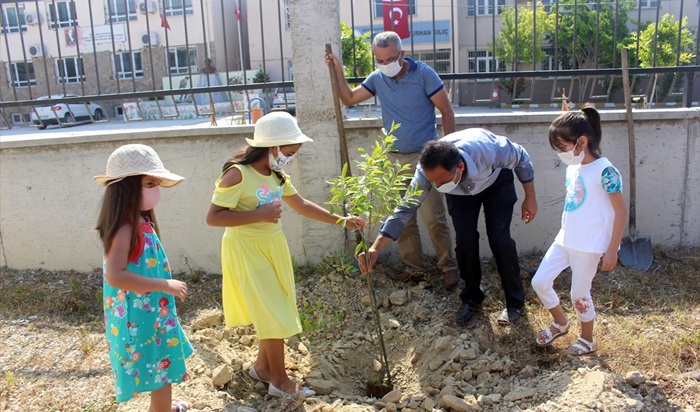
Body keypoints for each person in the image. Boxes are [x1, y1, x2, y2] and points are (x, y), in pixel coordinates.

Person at [205, 112, 365, 397]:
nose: (291, 158)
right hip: (245, 249)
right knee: (273, 312)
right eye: (289, 152)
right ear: (272, 146)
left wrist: (342, 220)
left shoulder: (277, 174)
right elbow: (214, 217)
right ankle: (279, 382)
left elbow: (301, 204)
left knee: (276, 307)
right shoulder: (237, 174)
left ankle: (262, 369)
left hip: (273, 246)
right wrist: (260, 214)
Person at [358, 128, 538, 326]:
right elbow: (405, 210)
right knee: (465, 241)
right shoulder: (426, 173)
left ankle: (514, 303)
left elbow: (521, 157)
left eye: (442, 181)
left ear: (460, 167)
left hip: (496, 183)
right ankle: (471, 299)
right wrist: (375, 247)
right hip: (459, 193)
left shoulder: (489, 150)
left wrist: (530, 197)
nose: (437, 185)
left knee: (500, 239)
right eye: (434, 182)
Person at [325, 31, 459, 288]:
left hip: (425, 159)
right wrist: (338, 69)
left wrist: (447, 152)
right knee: (402, 220)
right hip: (394, 160)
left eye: (390, 59)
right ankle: (414, 268)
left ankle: (448, 267)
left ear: (402, 54)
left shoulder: (424, 74)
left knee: (433, 216)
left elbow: (446, 110)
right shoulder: (378, 79)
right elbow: (349, 99)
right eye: (380, 60)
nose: (385, 65)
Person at [94, 144, 192, 412]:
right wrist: (164, 285)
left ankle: (163, 408)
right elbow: (115, 276)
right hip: (139, 317)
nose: (156, 190)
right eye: (150, 183)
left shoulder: (139, 221)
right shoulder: (125, 228)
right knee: (161, 367)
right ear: (127, 187)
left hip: (151, 313)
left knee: (161, 364)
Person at [532, 106, 627, 355]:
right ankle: (561, 323)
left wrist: (612, 250)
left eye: (562, 147)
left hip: (589, 246)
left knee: (578, 294)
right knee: (540, 281)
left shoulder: (607, 172)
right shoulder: (572, 168)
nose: (559, 153)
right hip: (565, 239)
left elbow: (620, 212)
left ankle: (587, 339)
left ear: (581, 142)